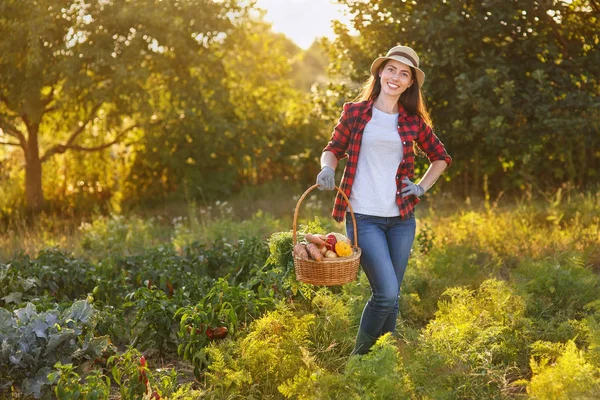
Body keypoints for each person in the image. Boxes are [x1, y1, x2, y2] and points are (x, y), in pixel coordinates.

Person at [316, 45, 452, 355]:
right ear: (380, 72)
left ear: (409, 83)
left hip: (401, 220)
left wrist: (420, 187)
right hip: (363, 217)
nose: (396, 77)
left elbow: (441, 157)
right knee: (387, 294)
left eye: (404, 74)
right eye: (391, 69)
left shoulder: (413, 121)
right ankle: (358, 360)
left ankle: (384, 360)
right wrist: (327, 169)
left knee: (391, 294)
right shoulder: (355, 111)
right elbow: (333, 148)